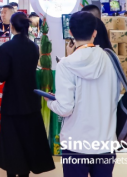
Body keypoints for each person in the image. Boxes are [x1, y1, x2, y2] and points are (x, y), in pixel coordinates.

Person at [47, 11, 120, 177]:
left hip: (76, 142)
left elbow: (65, 108)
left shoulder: (65, 64)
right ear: (94, 32)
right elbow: (115, 96)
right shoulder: (110, 58)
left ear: (70, 32)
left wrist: (50, 101)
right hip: (105, 140)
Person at [0, 12, 55, 177]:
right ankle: (25, 173)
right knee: (28, 138)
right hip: (30, 99)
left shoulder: (5, 48)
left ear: (12, 27)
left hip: (12, 100)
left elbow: (2, 76)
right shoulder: (34, 47)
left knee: (11, 140)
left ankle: (12, 171)